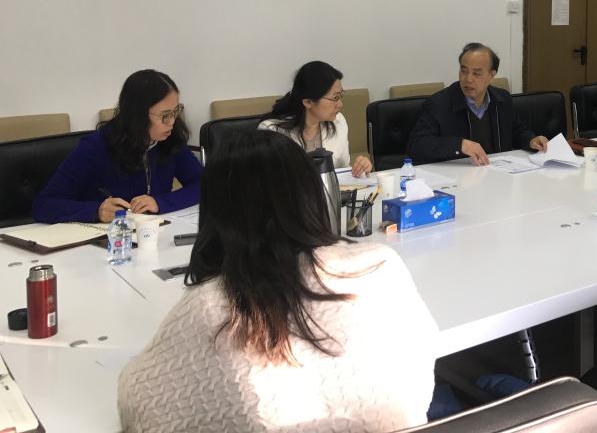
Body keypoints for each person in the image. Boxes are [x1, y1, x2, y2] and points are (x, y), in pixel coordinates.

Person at [118, 129, 437, 433]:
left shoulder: (209, 306)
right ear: (311, 194)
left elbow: (138, 404)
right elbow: (420, 372)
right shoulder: (379, 266)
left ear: (217, 212)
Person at [32, 69, 200, 223]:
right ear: (138, 115)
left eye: (175, 112)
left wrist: (160, 202)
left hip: (153, 234)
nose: (172, 122)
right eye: (165, 115)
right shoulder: (95, 147)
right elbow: (44, 205)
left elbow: (204, 184)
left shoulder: (170, 139)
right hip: (107, 240)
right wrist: (96, 211)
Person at [408, 43, 548, 165]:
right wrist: (459, 145)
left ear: (491, 75)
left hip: (497, 173)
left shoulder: (502, 99)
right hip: (458, 177)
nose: (468, 79)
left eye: (476, 73)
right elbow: (417, 146)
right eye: (464, 71)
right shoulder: (439, 103)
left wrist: (531, 140)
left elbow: (516, 131)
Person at [260, 60, 372, 177]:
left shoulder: (338, 122)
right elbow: (270, 181)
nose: (340, 104)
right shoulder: (272, 131)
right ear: (308, 102)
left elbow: (343, 171)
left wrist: (360, 168)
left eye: (341, 96)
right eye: (335, 98)